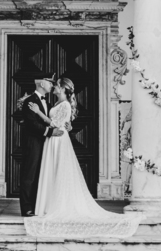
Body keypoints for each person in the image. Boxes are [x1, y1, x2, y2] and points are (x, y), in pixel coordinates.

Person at [24, 76, 140, 239]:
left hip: (57, 140)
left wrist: (38, 113)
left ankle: (55, 206)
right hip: (53, 140)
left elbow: (55, 124)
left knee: (57, 172)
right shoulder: (56, 104)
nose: (54, 88)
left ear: (63, 89)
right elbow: (62, 123)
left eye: (57, 86)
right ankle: (47, 205)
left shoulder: (64, 105)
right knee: (52, 172)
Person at [13, 76, 61, 217]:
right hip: (33, 143)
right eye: (49, 83)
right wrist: (50, 132)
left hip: (46, 144)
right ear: (41, 83)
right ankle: (27, 208)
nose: (52, 85)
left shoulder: (50, 103)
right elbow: (32, 124)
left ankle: (38, 206)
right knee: (30, 175)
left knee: (42, 174)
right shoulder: (30, 101)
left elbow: (51, 120)